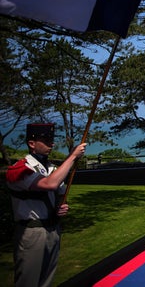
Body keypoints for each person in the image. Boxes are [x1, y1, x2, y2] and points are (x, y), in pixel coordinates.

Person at [6, 123, 87, 287]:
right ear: (32, 143)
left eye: (52, 139)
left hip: (53, 229)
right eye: (46, 139)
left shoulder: (51, 168)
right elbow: (49, 184)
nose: (52, 143)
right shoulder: (21, 169)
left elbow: (58, 194)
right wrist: (72, 156)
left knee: (46, 281)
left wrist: (61, 207)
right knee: (28, 281)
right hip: (32, 233)